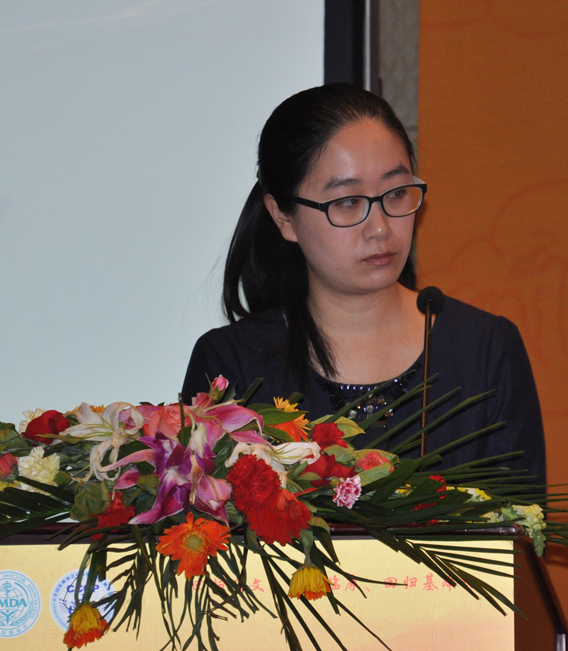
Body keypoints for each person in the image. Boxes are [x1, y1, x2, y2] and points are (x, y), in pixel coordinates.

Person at [181, 84, 546, 482]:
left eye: (397, 193)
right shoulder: (232, 365)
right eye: (347, 202)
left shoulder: (485, 352)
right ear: (283, 217)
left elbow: (523, 518)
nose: (380, 227)